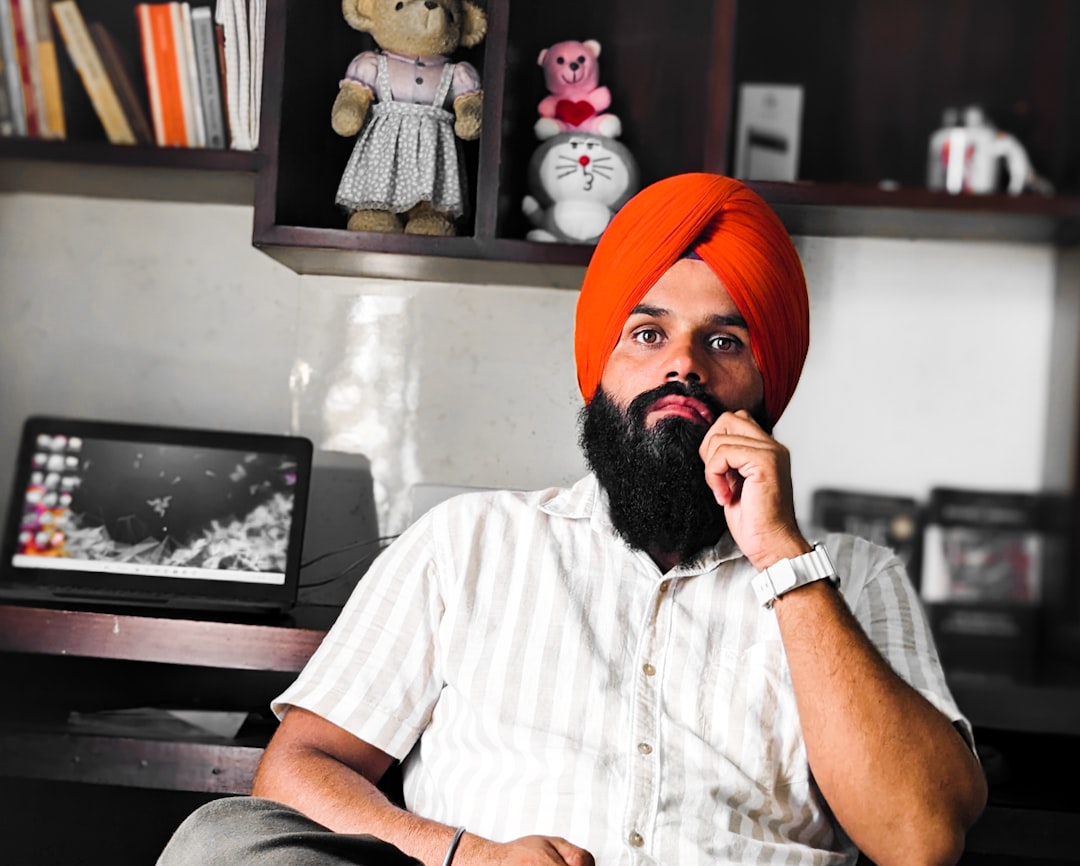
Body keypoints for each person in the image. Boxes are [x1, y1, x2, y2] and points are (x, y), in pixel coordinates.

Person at [157, 173, 987, 866]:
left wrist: (780, 557)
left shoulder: (854, 578)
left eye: (725, 342)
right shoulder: (470, 542)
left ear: (768, 386)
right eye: (647, 332)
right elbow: (300, 768)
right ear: (600, 369)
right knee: (222, 841)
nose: (683, 367)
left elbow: (922, 838)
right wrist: (466, 855)